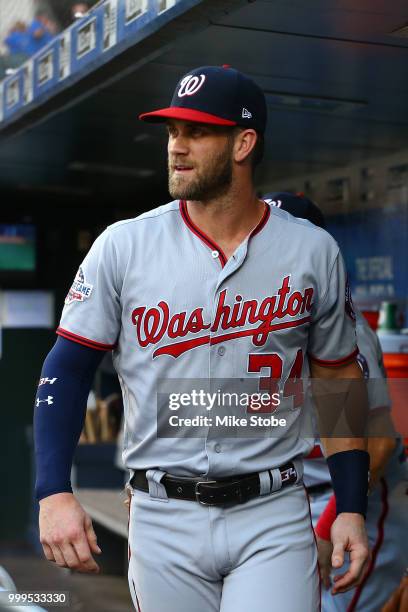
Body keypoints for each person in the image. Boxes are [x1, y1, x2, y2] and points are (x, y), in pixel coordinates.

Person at [34, 65, 370, 612]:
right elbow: (65, 370)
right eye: (172, 131)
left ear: (244, 143)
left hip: (273, 510)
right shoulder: (124, 246)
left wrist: (351, 503)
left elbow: (337, 377)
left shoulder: (312, 251)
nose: (177, 147)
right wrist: (53, 490)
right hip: (163, 512)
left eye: (197, 132)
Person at [264, 191, 408, 611]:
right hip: (297, 500)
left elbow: (376, 442)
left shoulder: (343, 331)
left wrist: (328, 528)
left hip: (349, 505)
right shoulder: (270, 320)